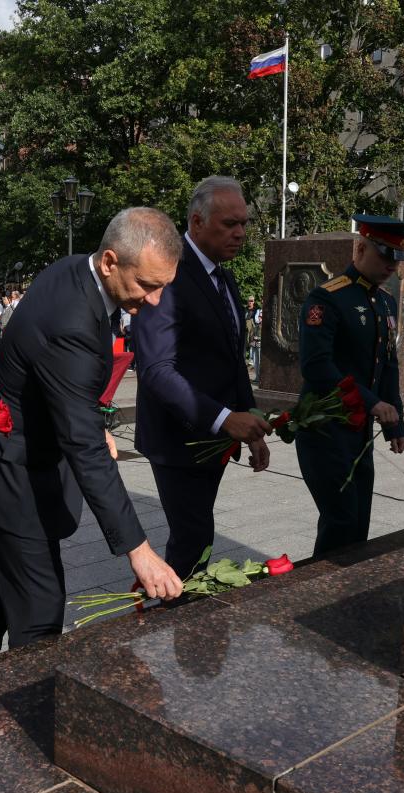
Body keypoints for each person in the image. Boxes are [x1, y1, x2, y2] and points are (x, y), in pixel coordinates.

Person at [0, 206, 185, 664]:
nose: (155, 300)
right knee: (40, 610)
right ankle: (33, 710)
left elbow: (59, 386)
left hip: (15, 450)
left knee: (0, 576)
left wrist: (93, 422)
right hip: (14, 469)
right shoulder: (72, 322)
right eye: (147, 285)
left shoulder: (76, 269)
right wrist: (139, 551)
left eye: (163, 286)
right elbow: (83, 448)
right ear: (110, 262)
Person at [133, 176, 271, 579]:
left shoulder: (224, 277)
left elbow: (231, 359)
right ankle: (167, 622)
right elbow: (156, 370)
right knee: (194, 539)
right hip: (177, 440)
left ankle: (171, 616)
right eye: (230, 224)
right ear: (196, 222)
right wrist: (225, 418)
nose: (241, 233)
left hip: (212, 438)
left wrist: (251, 423)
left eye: (244, 223)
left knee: (195, 540)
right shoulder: (169, 274)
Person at [296, 214, 404, 556]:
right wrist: (372, 402)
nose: (392, 265)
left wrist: (396, 425)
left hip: (358, 434)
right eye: (385, 255)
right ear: (361, 247)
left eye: (399, 258)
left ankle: (345, 595)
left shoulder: (385, 302)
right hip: (325, 430)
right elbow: (316, 366)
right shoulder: (326, 298)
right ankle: (319, 595)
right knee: (341, 520)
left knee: (359, 523)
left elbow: (387, 365)